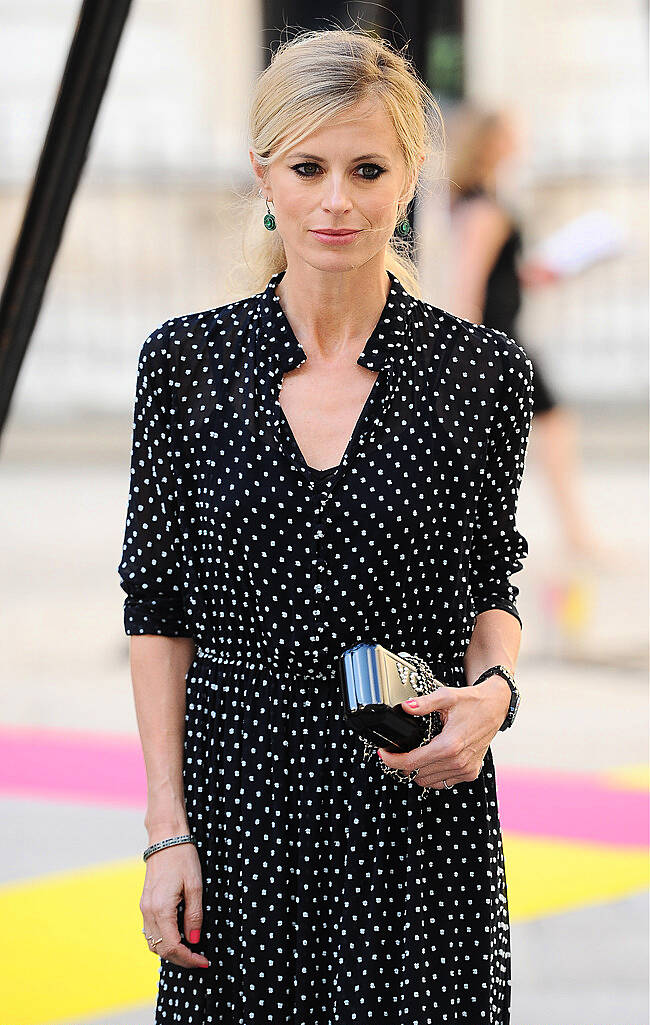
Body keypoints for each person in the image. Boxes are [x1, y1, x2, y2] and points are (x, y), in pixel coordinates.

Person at [118, 28, 534, 1024]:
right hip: (235, 807)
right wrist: (166, 829)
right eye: (307, 168)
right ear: (263, 173)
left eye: (365, 168)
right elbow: (156, 606)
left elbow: (490, 585)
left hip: (412, 814)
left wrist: (493, 696)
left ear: (409, 177)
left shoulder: (479, 376)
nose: (335, 200)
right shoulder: (186, 365)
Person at [446, 102, 605, 562]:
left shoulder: (481, 201)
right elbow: (467, 286)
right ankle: (573, 531)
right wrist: (467, 354)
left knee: (523, 434)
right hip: (498, 343)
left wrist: (538, 273)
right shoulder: (482, 208)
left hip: (503, 338)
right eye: (511, 135)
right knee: (546, 426)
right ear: (491, 142)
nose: (520, 143)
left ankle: (568, 530)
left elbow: (497, 275)